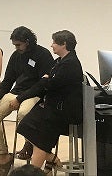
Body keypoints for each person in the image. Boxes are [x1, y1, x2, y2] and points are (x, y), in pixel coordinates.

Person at [0, 26, 54, 176]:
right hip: (17, 93)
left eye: (18, 45)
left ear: (27, 41)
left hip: (35, 94)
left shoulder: (43, 55)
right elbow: (8, 80)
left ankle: (29, 144)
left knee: (23, 114)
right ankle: (3, 156)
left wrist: (20, 99)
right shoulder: (16, 56)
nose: (16, 48)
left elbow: (43, 84)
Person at [17, 30, 84, 175]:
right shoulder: (60, 61)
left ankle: (36, 170)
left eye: (54, 42)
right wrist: (46, 80)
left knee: (40, 137)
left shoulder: (71, 63)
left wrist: (46, 79)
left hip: (62, 111)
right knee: (25, 125)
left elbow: (51, 83)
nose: (51, 45)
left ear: (64, 44)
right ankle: (50, 158)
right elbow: (47, 81)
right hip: (52, 106)